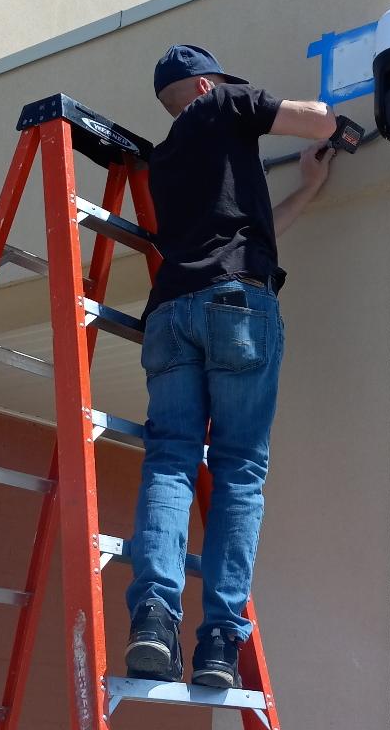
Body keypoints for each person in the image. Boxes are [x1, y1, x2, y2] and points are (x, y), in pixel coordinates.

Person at [124, 42, 344, 689]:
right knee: (238, 471)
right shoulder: (223, 102)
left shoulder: (164, 164)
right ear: (201, 88)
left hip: (169, 314)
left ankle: (153, 622)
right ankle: (220, 642)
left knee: (170, 460)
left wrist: (306, 187)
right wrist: (358, 118)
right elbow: (320, 119)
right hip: (234, 307)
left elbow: (251, 231)